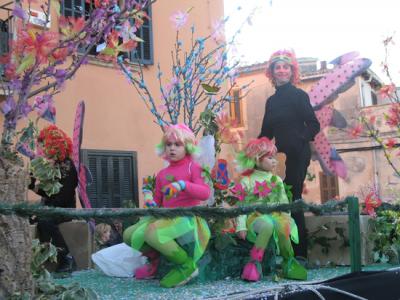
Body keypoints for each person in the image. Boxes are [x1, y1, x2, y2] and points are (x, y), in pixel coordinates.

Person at [123, 124, 211, 288]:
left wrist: (183, 185)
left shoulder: (194, 167)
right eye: (169, 144)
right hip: (165, 217)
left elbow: (205, 193)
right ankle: (155, 261)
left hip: (187, 217)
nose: (172, 148)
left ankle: (186, 265)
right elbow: (158, 202)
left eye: (177, 144)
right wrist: (149, 198)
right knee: (129, 235)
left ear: (188, 146)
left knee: (153, 232)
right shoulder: (163, 174)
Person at [259, 49, 320, 259]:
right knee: (273, 197)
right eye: (278, 67)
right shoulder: (271, 102)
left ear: (291, 71)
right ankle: (277, 251)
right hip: (278, 155)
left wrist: (298, 139)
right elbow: (265, 134)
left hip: (298, 153)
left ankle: (300, 254)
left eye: (286, 67)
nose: (282, 70)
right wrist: (256, 149)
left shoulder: (299, 96)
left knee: (292, 198)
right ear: (272, 72)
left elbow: (313, 125)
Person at [234, 137, 307, 281]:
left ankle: (288, 262)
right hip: (255, 217)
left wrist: (286, 218)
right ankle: (254, 263)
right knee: (267, 224)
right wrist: (240, 225)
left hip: (277, 216)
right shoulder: (246, 180)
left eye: (275, 157)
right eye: (270, 157)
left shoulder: (277, 181)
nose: (275, 161)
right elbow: (241, 206)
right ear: (257, 158)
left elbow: (284, 204)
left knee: (282, 226)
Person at [29, 125, 78, 272]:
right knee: (29, 219)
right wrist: (32, 185)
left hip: (64, 209)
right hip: (51, 208)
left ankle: (66, 257)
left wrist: (44, 209)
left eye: (45, 146)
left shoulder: (68, 166)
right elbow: (49, 193)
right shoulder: (52, 166)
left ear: (54, 146)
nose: (42, 150)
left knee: (45, 221)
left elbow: (63, 196)